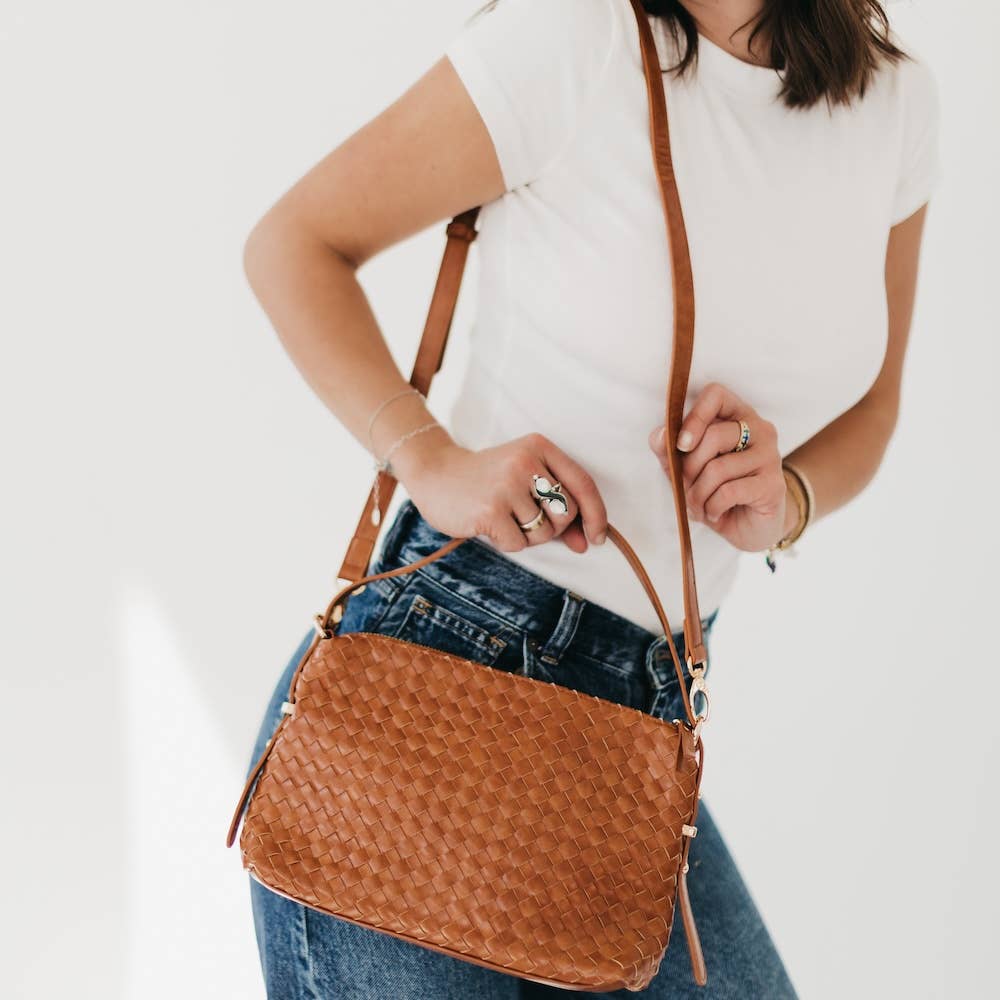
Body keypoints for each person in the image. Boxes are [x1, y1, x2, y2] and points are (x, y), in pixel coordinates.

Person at [239, 0, 940, 996]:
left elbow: (874, 407)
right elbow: (294, 242)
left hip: (643, 726)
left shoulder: (895, 103)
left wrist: (785, 495)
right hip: (439, 676)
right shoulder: (575, 37)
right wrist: (430, 461)